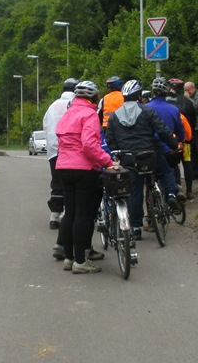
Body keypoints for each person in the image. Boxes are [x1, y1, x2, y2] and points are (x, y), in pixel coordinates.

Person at [105, 80, 180, 241]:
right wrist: (173, 145)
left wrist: (118, 154)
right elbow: (162, 130)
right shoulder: (147, 112)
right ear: (139, 95)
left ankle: (136, 227)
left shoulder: (114, 116)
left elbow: (110, 139)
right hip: (149, 154)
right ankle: (171, 194)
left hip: (129, 158)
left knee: (135, 191)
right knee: (166, 171)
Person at [56, 80, 115, 274]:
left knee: (69, 213)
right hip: (83, 169)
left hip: (64, 168)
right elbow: (89, 146)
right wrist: (108, 161)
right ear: (94, 97)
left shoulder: (67, 114)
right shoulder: (89, 114)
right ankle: (80, 261)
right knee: (83, 215)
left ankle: (69, 258)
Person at [43, 77, 78, 230]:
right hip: (71, 149)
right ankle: (72, 214)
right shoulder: (76, 104)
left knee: (57, 181)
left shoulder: (52, 106)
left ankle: (54, 216)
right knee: (73, 182)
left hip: (53, 150)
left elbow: (45, 125)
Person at [146, 77, 186, 206]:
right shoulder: (173, 109)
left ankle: (151, 217)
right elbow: (180, 131)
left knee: (149, 180)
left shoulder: (145, 108)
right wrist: (179, 140)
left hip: (149, 148)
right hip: (168, 148)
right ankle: (174, 190)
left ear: (152, 91)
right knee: (170, 169)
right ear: (167, 92)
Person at [167, 78, 196, 199]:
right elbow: (194, 120)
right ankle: (189, 191)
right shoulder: (187, 101)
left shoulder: (166, 102)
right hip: (186, 139)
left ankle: (177, 189)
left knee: (174, 165)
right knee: (187, 163)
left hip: (171, 140)